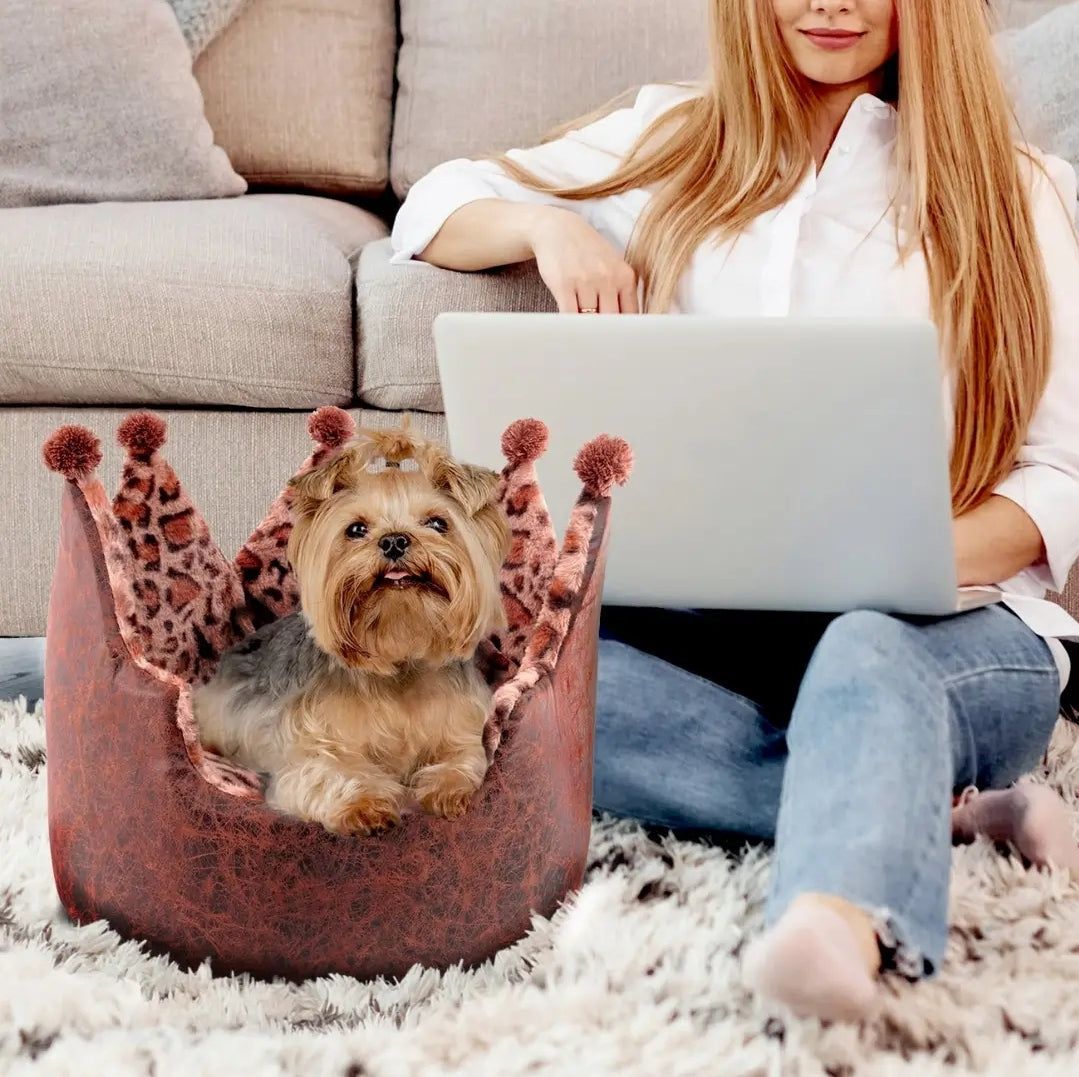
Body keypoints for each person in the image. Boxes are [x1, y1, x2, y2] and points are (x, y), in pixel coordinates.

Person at [389, 0, 1079, 1023]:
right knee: (473, 654)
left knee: (865, 650)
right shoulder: (672, 145)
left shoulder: (1024, 193)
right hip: (711, 627)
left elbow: (1058, 476)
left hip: (946, 628)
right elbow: (436, 204)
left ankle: (839, 922)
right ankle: (932, 812)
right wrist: (550, 225)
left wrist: (885, 560)